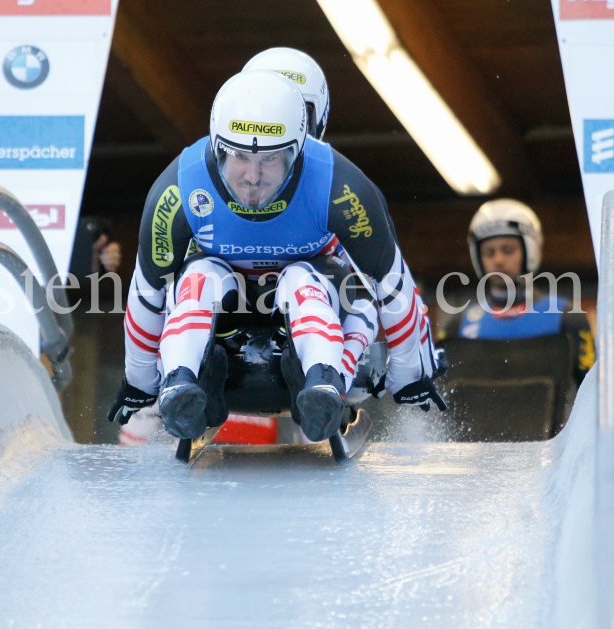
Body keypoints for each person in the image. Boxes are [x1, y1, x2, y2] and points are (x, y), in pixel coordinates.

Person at [108, 69, 445, 444]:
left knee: (302, 278)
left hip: (310, 307)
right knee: (198, 276)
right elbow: (148, 288)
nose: (253, 176)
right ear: (217, 145)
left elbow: (388, 281)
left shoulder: (340, 186)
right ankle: (182, 384)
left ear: (299, 148)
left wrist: (409, 372)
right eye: (237, 156)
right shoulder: (180, 187)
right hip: (226, 319)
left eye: (270, 159)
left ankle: (323, 383)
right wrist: (141, 382)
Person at [438, 199, 594, 385]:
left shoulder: (566, 318)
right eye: (489, 252)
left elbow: (591, 393)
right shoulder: (458, 326)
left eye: (508, 250)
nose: (499, 260)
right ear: (478, 258)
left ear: (531, 251)